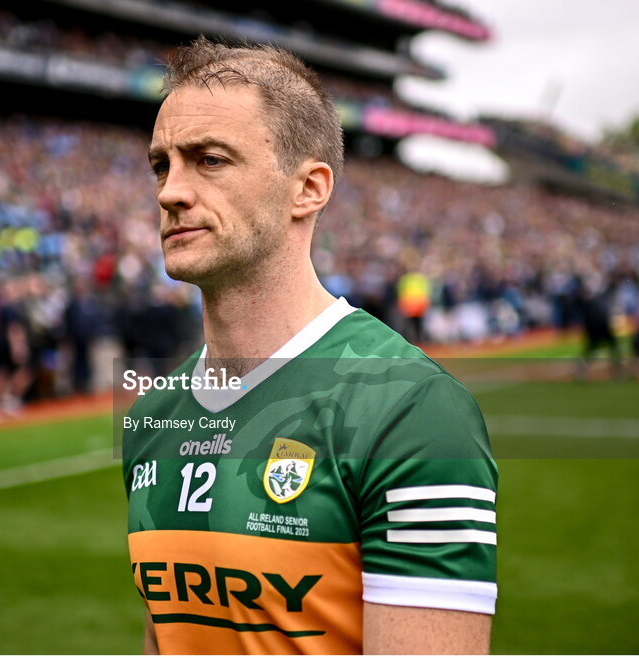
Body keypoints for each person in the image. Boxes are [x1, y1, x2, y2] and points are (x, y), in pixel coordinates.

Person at [123, 38, 497, 654]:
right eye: (162, 165)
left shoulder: (413, 411)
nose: (170, 192)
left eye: (209, 160)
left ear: (309, 188)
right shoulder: (151, 416)